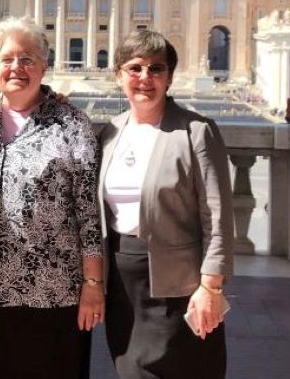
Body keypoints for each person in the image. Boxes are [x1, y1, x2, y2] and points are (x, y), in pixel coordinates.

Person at [0, 16, 103, 379]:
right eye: (7, 59)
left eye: (28, 59)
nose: (16, 68)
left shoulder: (72, 124)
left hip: (51, 289)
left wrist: (93, 285)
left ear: (44, 66)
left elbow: (88, 214)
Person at [99, 30, 235, 379]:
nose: (145, 78)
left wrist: (211, 287)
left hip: (180, 287)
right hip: (123, 289)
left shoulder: (197, 132)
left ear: (169, 77)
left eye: (156, 69)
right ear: (118, 75)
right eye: (135, 68)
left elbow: (217, 218)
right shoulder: (109, 134)